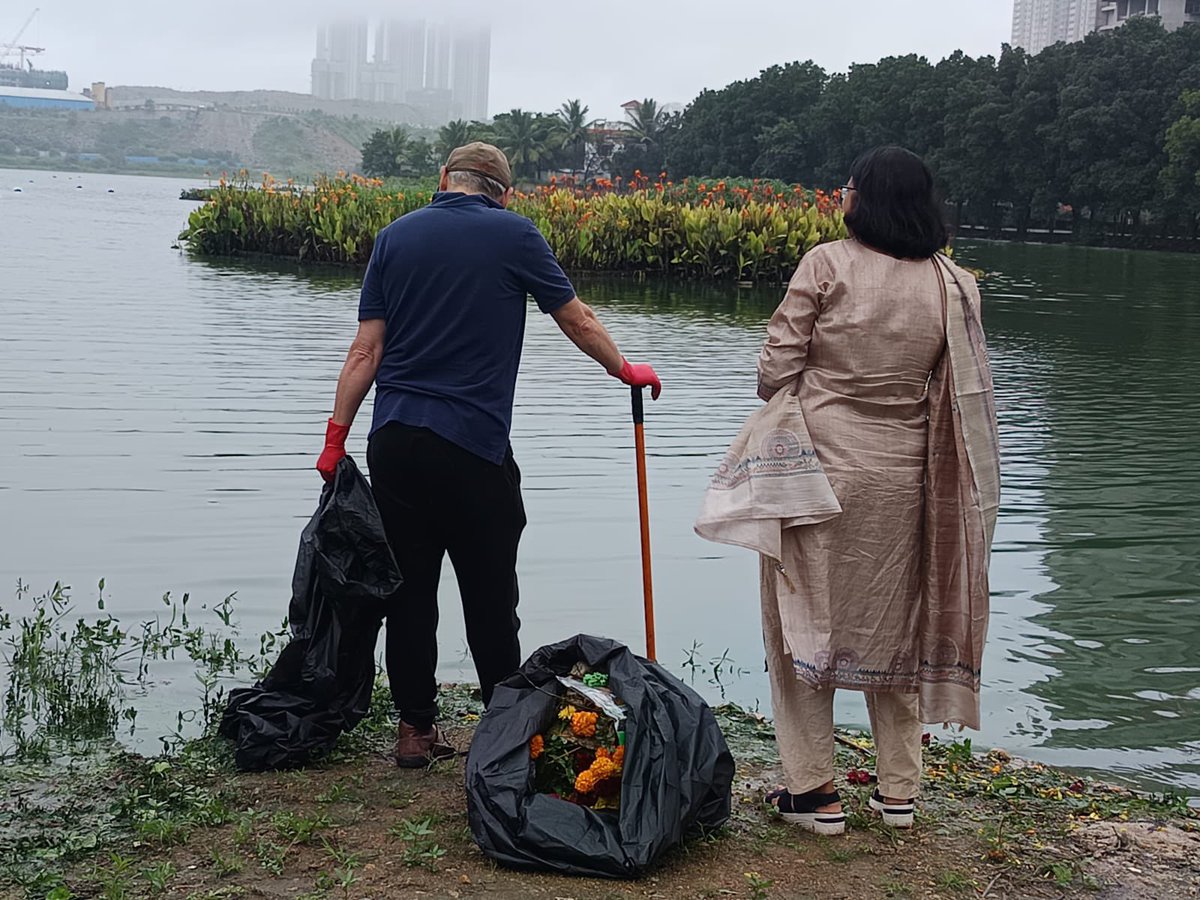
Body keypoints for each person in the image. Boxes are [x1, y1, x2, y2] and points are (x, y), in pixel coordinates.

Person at [315, 143, 662, 767]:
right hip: (473, 448)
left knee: (410, 592)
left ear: (444, 180)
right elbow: (577, 319)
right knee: (490, 592)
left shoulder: (394, 237)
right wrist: (624, 369)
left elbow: (365, 350)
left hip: (395, 443)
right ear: (504, 193)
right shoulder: (515, 235)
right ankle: (502, 729)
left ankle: (416, 731)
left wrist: (335, 437)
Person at [755, 147, 1000, 834]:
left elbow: (776, 368)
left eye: (849, 187)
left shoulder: (827, 264)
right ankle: (898, 794)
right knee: (900, 625)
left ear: (861, 199)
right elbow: (963, 393)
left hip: (817, 468)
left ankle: (814, 793)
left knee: (795, 618)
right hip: (908, 475)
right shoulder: (955, 284)